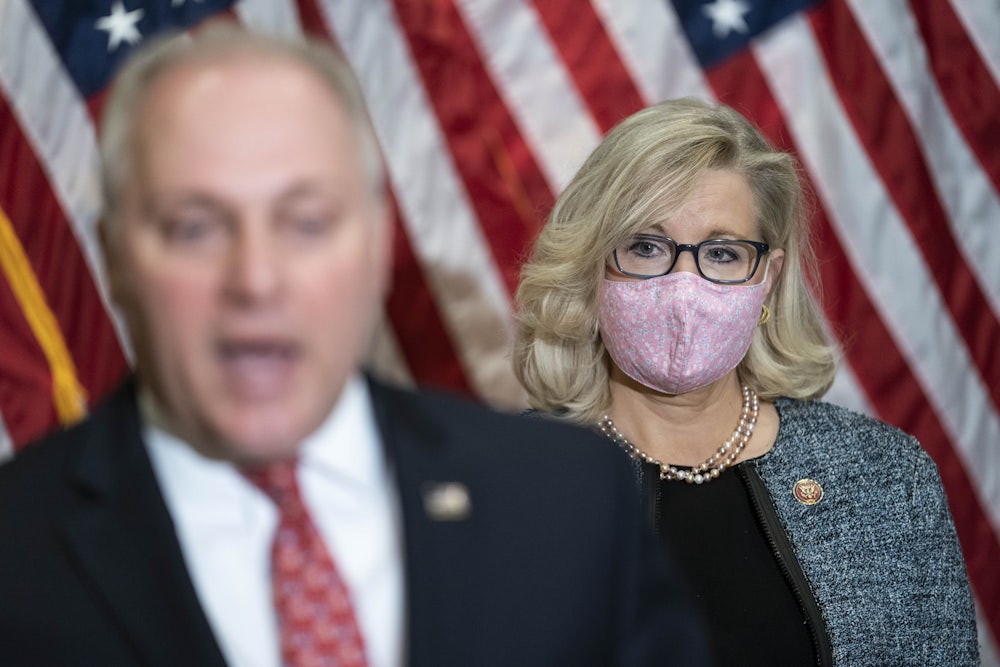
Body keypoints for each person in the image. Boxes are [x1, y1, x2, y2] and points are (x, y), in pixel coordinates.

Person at [0, 25, 708, 667]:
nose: (255, 279)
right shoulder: (16, 556)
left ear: (376, 245)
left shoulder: (568, 499)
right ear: (116, 259)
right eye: (195, 228)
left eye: (305, 222)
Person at [513, 98, 979, 666]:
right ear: (591, 269)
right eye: (645, 247)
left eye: (723, 252)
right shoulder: (506, 487)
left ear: (767, 279)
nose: (684, 285)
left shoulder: (886, 478)